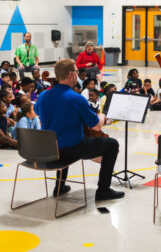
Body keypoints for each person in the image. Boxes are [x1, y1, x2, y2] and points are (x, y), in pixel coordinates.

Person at [35, 58, 124, 201]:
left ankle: (60, 187)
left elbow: (37, 110)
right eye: (77, 71)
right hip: (71, 150)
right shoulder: (76, 98)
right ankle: (103, 190)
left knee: (60, 138)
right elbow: (96, 125)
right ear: (71, 74)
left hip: (48, 150)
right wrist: (102, 116)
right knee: (112, 144)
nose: (77, 74)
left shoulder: (44, 95)